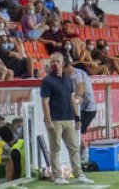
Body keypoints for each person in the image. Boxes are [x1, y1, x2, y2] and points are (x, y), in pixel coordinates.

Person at [42, 52, 92, 184]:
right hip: (55, 119)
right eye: (52, 61)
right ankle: (57, 176)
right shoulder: (47, 81)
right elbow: (45, 102)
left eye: (57, 61)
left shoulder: (68, 79)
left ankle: (79, 174)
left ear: (62, 63)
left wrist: (77, 117)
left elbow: (72, 98)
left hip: (69, 118)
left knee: (74, 147)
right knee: (55, 148)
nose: (55, 64)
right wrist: (48, 120)